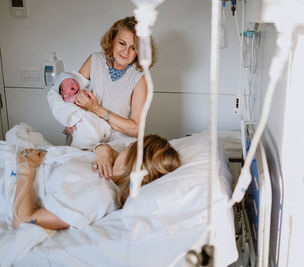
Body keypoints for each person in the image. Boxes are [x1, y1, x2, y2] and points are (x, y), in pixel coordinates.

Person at [10, 134, 181, 231]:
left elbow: (24, 220)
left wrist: (25, 168)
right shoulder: (109, 168)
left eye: (131, 148)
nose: (126, 146)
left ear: (132, 163)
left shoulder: (97, 195)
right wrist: (102, 148)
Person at [69, 16, 157, 145]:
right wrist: (67, 121)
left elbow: (137, 129)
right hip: (85, 136)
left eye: (133, 48)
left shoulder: (140, 78)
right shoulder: (94, 60)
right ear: (112, 40)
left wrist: (98, 110)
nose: (126, 52)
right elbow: (68, 93)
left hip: (117, 144)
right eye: (122, 43)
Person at [47, 72, 112, 149]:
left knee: (96, 128)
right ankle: (85, 146)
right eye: (66, 85)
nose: (70, 84)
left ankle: (96, 141)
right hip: (80, 121)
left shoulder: (84, 91)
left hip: (92, 117)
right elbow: (65, 108)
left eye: (72, 82)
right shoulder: (65, 99)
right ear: (62, 92)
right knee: (82, 135)